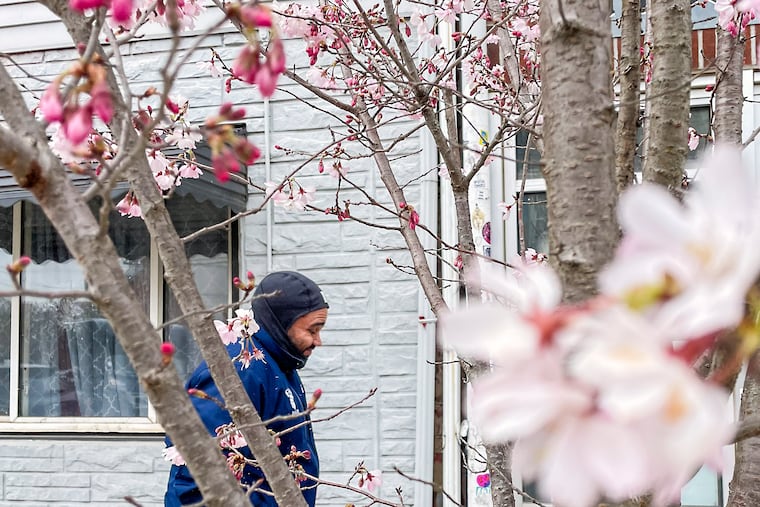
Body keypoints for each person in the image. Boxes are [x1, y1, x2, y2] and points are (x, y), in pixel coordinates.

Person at [164, 271, 328, 506]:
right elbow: (198, 475)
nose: (318, 341)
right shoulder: (241, 369)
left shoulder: (281, 366)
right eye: (312, 330)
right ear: (282, 323)